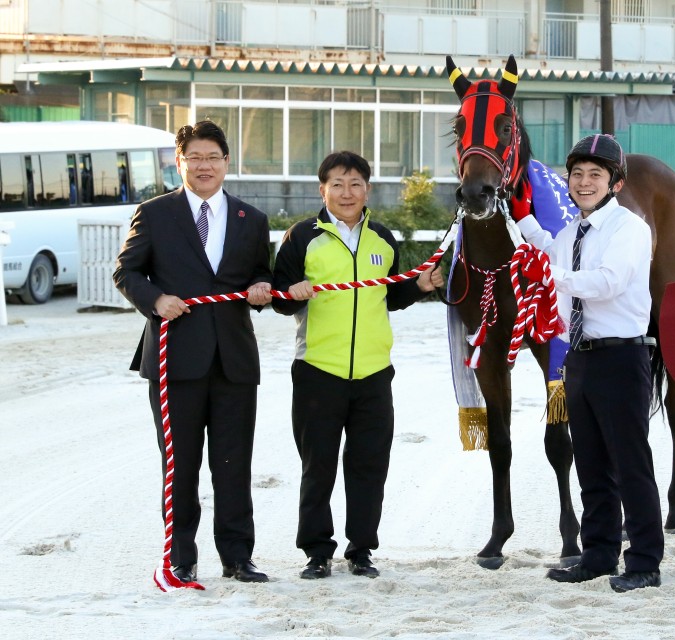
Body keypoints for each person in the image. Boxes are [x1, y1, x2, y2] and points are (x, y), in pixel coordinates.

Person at [114, 120, 273, 584]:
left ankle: (238, 557)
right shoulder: (155, 214)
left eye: (213, 157)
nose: (205, 166)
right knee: (180, 466)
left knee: (233, 464)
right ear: (179, 162)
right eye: (195, 158)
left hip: (234, 361)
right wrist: (156, 300)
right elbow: (127, 272)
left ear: (227, 162)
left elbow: (260, 275)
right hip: (174, 359)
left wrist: (262, 288)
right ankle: (181, 556)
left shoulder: (251, 219)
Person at [272, 151, 443, 580]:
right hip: (317, 371)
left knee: (369, 466)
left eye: (355, 184)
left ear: (368, 189)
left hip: (374, 373)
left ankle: (361, 549)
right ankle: (316, 552)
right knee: (318, 467)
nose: (346, 193)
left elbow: (388, 296)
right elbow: (278, 298)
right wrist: (291, 292)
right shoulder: (301, 237)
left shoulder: (383, 238)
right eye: (337, 184)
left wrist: (419, 286)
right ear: (323, 190)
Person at [511, 134, 664, 592]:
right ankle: (598, 554)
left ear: (615, 183)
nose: (583, 182)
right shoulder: (571, 232)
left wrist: (549, 274)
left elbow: (607, 282)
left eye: (595, 174)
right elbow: (548, 248)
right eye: (576, 173)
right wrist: (521, 216)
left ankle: (644, 562)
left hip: (621, 357)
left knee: (630, 464)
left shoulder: (630, 229)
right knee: (591, 466)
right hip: (579, 358)